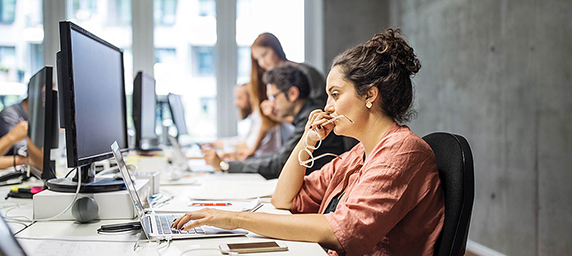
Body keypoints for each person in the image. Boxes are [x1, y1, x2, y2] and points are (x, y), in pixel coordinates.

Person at [174, 28, 445, 256]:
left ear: (369, 95)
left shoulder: (402, 153)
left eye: (335, 95)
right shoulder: (357, 155)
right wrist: (308, 138)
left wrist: (236, 219)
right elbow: (284, 199)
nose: (327, 108)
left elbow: (342, 234)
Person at [202, 64, 344, 178]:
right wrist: (237, 162)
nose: (271, 104)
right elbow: (278, 156)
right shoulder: (302, 117)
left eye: (274, 97)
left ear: (293, 93)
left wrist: (226, 165)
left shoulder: (312, 118)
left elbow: (279, 164)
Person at [247, 33, 327, 158]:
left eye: (264, 55)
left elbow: (316, 112)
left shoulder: (306, 72)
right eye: (258, 60)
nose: (262, 63)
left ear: (275, 49)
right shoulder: (272, 82)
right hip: (291, 139)